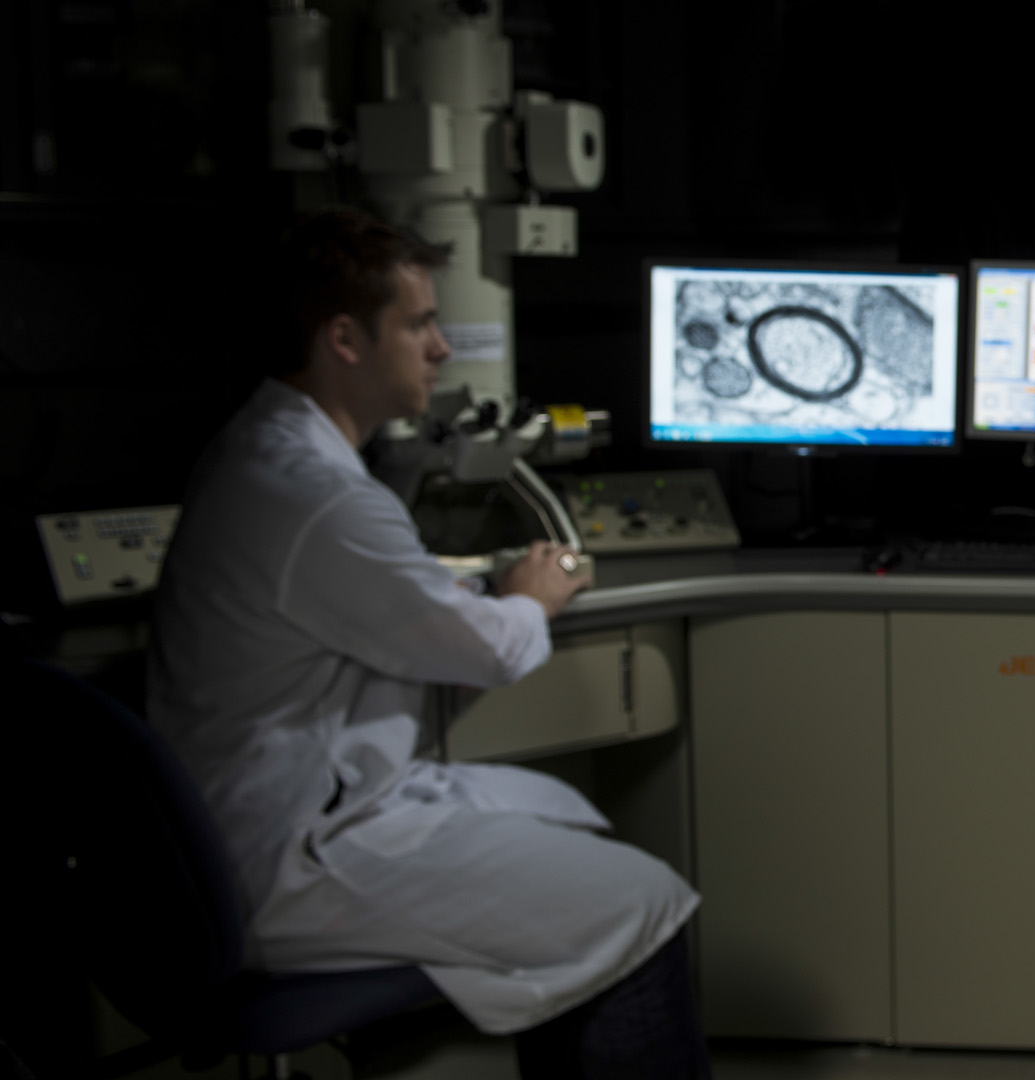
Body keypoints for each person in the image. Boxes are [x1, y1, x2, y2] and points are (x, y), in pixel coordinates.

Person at [147, 209, 705, 1078]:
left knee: (575, 823)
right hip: (293, 860)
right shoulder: (319, 494)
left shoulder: (267, 455)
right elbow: (487, 653)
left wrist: (473, 595)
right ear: (344, 339)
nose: (441, 348)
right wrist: (531, 595)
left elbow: (371, 598)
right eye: (419, 323)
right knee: (645, 901)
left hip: (285, 817)